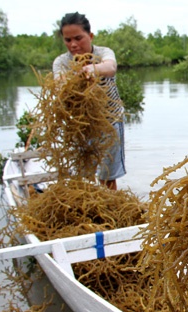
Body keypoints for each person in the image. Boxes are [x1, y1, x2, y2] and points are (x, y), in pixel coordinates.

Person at [53, 12, 125, 190]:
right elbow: (59, 83)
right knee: (83, 175)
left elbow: (110, 67)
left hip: (110, 122)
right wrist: (74, 79)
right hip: (80, 125)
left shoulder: (103, 53)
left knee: (108, 176)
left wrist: (92, 69)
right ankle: (88, 209)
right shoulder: (62, 62)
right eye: (68, 40)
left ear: (90, 36)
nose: (73, 45)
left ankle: (111, 208)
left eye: (78, 38)